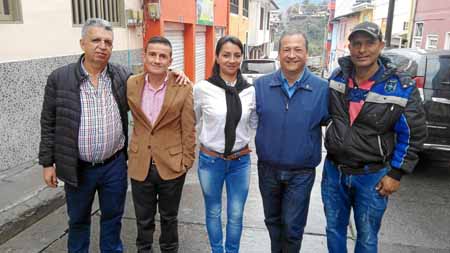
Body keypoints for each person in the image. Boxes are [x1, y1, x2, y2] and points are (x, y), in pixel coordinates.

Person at [323, 21, 427, 253]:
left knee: (367, 237)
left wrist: (396, 173)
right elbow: (325, 113)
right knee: (333, 230)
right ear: (349, 47)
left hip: (372, 176)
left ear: (381, 45)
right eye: (357, 44)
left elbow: (413, 135)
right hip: (334, 172)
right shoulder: (338, 78)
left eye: (369, 43)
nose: (362, 50)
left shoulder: (401, 86)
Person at [39, 18, 131, 252]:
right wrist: (47, 163)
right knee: (78, 221)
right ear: (82, 43)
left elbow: (151, 86)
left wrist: (175, 76)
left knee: (113, 218)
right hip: (78, 167)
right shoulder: (60, 79)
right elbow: (48, 122)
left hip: (114, 165)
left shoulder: (121, 76)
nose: (102, 46)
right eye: (96, 40)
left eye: (108, 42)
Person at [254, 31, 329, 252]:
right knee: (272, 223)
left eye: (298, 49)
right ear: (278, 54)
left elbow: (336, 124)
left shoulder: (322, 89)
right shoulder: (261, 86)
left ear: (307, 54)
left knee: (293, 227)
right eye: (286, 49)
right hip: (267, 170)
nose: (292, 55)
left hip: (301, 173)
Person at [127, 36, 196, 253]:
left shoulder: (183, 86)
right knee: (143, 220)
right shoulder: (131, 83)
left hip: (172, 165)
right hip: (141, 164)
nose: (157, 60)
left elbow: (189, 127)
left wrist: (187, 160)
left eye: (162, 56)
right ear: (144, 56)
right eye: (153, 54)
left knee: (169, 218)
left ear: (170, 60)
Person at [193, 35, 257, 253]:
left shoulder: (250, 90)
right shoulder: (202, 88)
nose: (232, 60)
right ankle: (216, 250)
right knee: (213, 211)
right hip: (211, 161)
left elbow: (255, 122)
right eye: (226, 55)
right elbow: (192, 119)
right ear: (217, 58)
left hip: (240, 162)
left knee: (236, 213)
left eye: (237, 55)